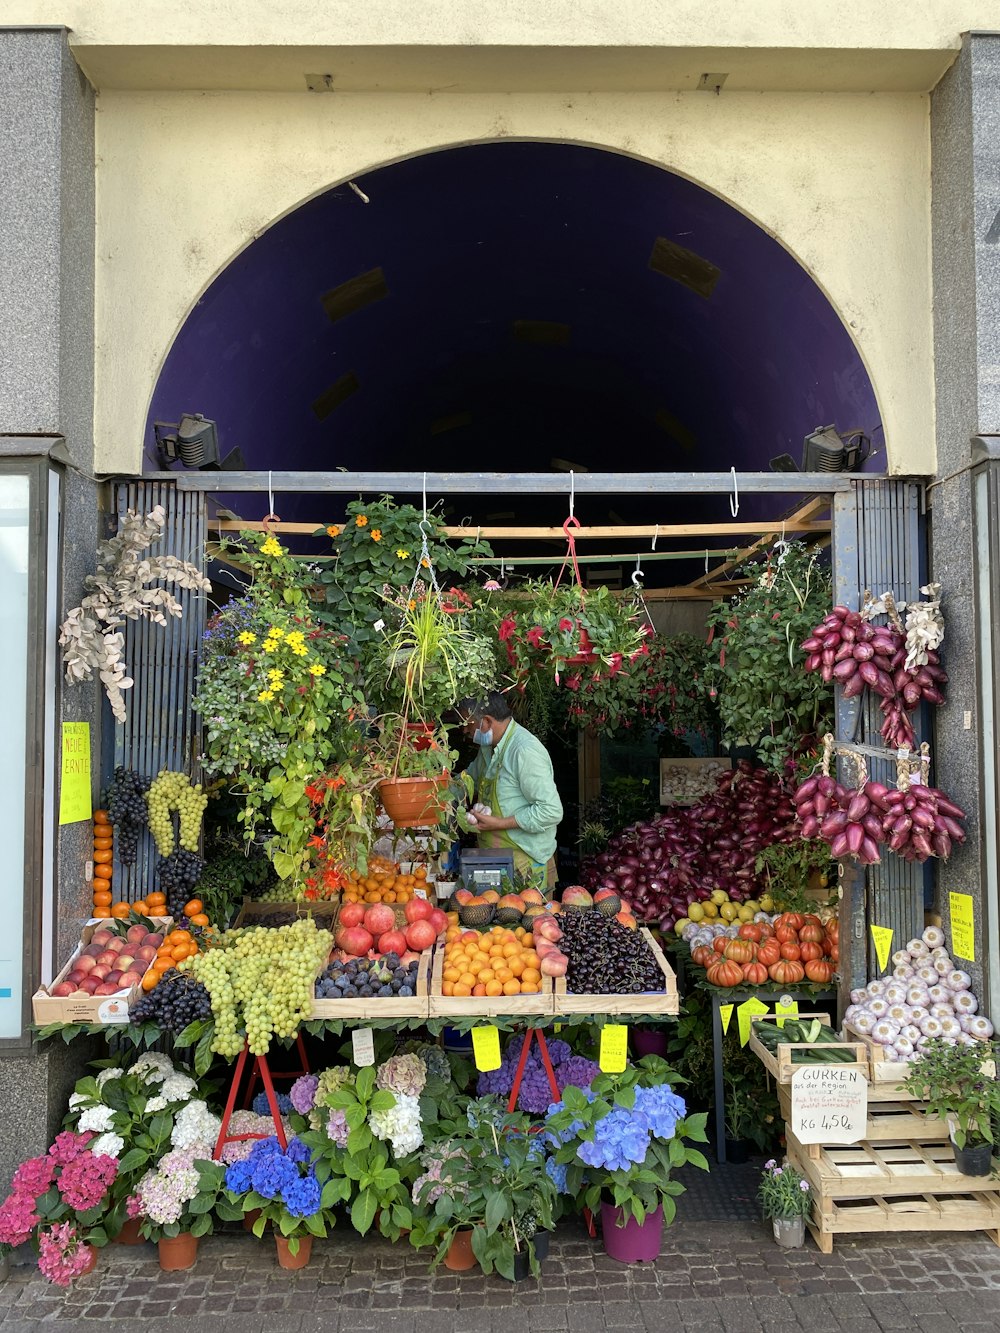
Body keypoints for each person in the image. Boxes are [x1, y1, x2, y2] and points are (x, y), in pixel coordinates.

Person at [456, 691, 563, 891]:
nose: (463, 730)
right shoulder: (488, 749)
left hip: (525, 863)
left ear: (486, 721)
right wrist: (436, 792)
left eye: (467, 723)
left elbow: (551, 811)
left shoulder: (524, 751)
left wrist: (500, 823)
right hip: (492, 860)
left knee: (525, 920)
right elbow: (467, 778)